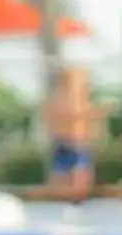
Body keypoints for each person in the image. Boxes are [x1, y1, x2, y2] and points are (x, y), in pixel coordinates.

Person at [42, 62, 101, 198]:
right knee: (63, 180)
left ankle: (73, 195)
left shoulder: (81, 101)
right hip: (66, 143)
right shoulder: (59, 101)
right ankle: (66, 195)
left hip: (77, 144)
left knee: (78, 180)